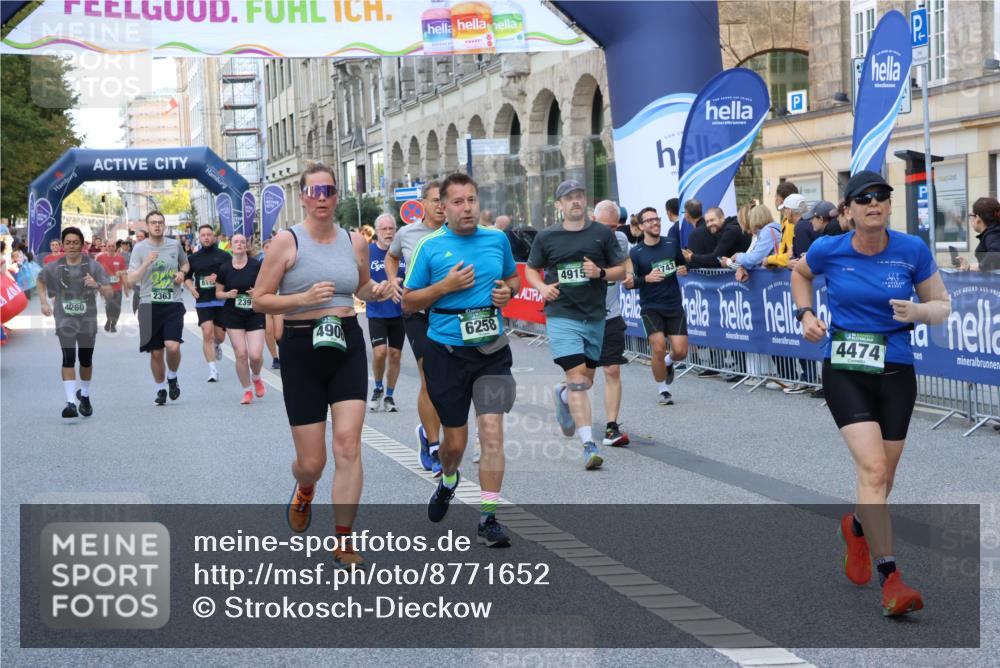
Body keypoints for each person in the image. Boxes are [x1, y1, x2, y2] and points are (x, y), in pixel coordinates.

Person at [791, 170, 951, 617]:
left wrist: (919, 310)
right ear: (848, 210)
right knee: (874, 469)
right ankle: (892, 579)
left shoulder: (911, 250)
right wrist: (805, 315)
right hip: (845, 367)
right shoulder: (829, 249)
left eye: (881, 196)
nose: (874, 203)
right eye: (863, 198)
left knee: (883, 480)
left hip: (896, 368)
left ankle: (856, 526)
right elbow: (799, 274)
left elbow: (942, 306)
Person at [252, 163, 392, 570]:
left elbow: (361, 285)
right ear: (302, 196)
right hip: (301, 347)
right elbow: (260, 299)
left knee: (348, 445)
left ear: (337, 195)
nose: (321, 198)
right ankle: (304, 486)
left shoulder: (354, 241)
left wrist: (376, 290)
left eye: (328, 190)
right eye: (313, 191)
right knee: (313, 461)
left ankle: (344, 539)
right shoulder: (286, 242)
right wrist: (302, 298)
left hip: (346, 342)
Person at [402, 172, 520, 546]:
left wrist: (506, 292)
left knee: (491, 433)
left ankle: (488, 517)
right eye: (457, 201)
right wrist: (444, 288)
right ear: (443, 206)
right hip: (447, 354)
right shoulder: (430, 247)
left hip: (491, 352)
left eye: (471, 199)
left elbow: (513, 280)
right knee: (454, 444)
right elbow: (408, 302)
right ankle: (449, 479)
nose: (466, 207)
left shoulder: (496, 239)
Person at [524, 180, 627, 470]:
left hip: (595, 316)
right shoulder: (547, 237)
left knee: (586, 380)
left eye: (580, 195)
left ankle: (563, 395)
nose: (575, 201)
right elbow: (532, 270)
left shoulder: (601, 234)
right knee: (578, 377)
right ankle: (588, 445)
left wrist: (601, 272)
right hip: (561, 314)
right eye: (569, 198)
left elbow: (622, 270)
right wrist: (543, 289)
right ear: (559, 205)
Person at [386, 181, 447, 475]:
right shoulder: (407, 233)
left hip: (449, 314)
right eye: (435, 200)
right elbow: (391, 255)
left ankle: (426, 431)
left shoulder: (456, 232)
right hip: (417, 312)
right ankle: (434, 445)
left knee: (448, 382)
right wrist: (393, 280)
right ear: (423, 202)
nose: (440, 206)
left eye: (444, 201)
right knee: (429, 374)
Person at [36, 227, 114, 418]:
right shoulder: (55, 266)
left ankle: (84, 395)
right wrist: (44, 302)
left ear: (82, 245)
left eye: (75, 242)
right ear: (63, 245)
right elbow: (40, 280)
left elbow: (110, 292)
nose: (71, 246)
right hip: (65, 320)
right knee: (68, 357)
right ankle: (70, 402)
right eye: (68, 242)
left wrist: (96, 285)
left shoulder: (93, 266)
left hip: (87, 320)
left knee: (85, 360)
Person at [624, 206, 690, 406]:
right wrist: (647, 278)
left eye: (657, 219)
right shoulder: (635, 253)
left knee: (680, 352)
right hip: (651, 307)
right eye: (650, 220)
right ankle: (663, 390)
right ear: (642, 226)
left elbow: (682, 264)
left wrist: (684, 269)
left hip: (673, 305)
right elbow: (628, 283)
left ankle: (669, 363)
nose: (655, 223)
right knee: (659, 348)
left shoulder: (671, 243)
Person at [127, 210, 189, 406]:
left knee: (173, 345)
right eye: (153, 222)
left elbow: (185, 264)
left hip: (173, 302)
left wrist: (182, 274)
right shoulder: (139, 248)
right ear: (147, 226)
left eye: (160, 222)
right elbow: (131, 279)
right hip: (148, 304)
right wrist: (146, 263)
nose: (157, 226)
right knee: (155, 352)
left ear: (164, 225)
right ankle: (160, 388)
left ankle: (172, 376)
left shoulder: (174, 244)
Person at [593, 200, 630, 447]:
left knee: (612, 370)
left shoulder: (620, 239)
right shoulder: (577, 240)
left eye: (615, 226)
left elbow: (626, 261)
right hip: (583, 317)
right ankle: (565, 393)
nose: (611, 232)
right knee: (583, 379)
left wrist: (630, 275)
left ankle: (611, 427)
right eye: (606, 227)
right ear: (594, 221)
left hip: (611, 314)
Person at [215, 233, 266, 405]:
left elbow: (265, 286)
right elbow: (218, 293)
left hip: (254, 312)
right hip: (233, 314)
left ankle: (257, 377)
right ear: (230, 245)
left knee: (256, 355)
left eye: (242, 242)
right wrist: (228, 294)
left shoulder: (255, 265)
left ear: (246, 246)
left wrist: (256, 292)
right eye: (236, 242)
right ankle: (247, 390)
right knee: (241, 354)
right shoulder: (224, 268)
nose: (239, 244)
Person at [366, 213, 407, 412]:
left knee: (396, 355)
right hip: (377, 312)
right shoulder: (368, 252)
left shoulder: (403, 253)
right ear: (377, 231)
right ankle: (377, 387)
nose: (389, 232)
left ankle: (389, 396)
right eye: (384, 229)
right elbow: (362, 282)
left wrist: (402, 283)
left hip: (399, 312)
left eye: (391, 228)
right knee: (380, 352)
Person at [185, 225, 231, 382]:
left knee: (219, 336)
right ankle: (212, 370)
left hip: (220, 300)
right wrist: (191, 289)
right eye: (203, 235)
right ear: (199, 237)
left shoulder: (224, 256)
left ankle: (217, 345)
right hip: (203, 300)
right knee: (207, 332)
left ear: (214, 237)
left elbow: (231, 274)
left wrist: (218, 277)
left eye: (209, 234)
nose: (206, 237)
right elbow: (187, 277)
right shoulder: (193, 258)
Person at [682, 207, 752, 269]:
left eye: (712, 220)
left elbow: (715, 259)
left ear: (722, 218)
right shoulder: (727, 229)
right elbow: (719, 259)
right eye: (707, 222)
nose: (709, 224)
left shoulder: (731, 230)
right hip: (744, 270)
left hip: (749, 272)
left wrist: (691, 257)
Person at [958, 197, 1000, 272]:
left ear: (977, 218)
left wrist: (981, 266)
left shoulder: (993, 234)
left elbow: (996, 253)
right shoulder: (992, 233)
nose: (970, 219)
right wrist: (969, 267)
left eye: (970, 215)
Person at [763, 183, 799, 270]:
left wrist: (769, 260)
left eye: (775, 197)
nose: (775, 199)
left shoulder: (791, 222)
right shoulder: (786, 221)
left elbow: (792, 255)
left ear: (780, 200)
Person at [95, 238, 127, 332]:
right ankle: (110, 322)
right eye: (109, 246)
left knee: (117, 308)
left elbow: (125, 271)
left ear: (115, 247)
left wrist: (121, 273)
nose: (111, 248)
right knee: (109, 306)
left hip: (118, 287)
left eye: (113, 246)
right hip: (106, 287)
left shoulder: (120, 258)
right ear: (106, 247)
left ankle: (113, 323)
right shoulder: (100, 257)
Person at [260, 237, 282, 369]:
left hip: (280, 299)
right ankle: (275, 358)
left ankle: (281, 345)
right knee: (268, 330)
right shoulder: (260, 264)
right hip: (266, 299)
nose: (270, 250)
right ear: (263, 249)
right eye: (267, 247)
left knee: (278, 333)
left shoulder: (284, 261)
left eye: (272, 247)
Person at [131, 229, 147, 315]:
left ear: (145, 237)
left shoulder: (149, 247)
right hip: (137, 280)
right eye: (138, 236)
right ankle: (136, 311)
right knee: (136, 297)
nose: (139, 238)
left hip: (148, 279)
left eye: (141, 236)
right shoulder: (135, 247)